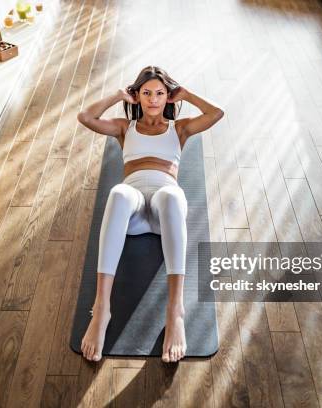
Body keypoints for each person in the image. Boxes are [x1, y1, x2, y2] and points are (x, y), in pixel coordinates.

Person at [76, 66, 224, 363]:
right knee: (117, 193)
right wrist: (117, 96)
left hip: (162, 211)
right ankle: (102, 308)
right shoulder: (123, 128)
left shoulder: (179, 129)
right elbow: (86, 118)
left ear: (168, 96)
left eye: (159, 93)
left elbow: (216, 113)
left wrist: (187, 95)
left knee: (170, 196)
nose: (154, 100)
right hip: (132, 211)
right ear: (137, 96)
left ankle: (175, 310)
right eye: (146, 93)